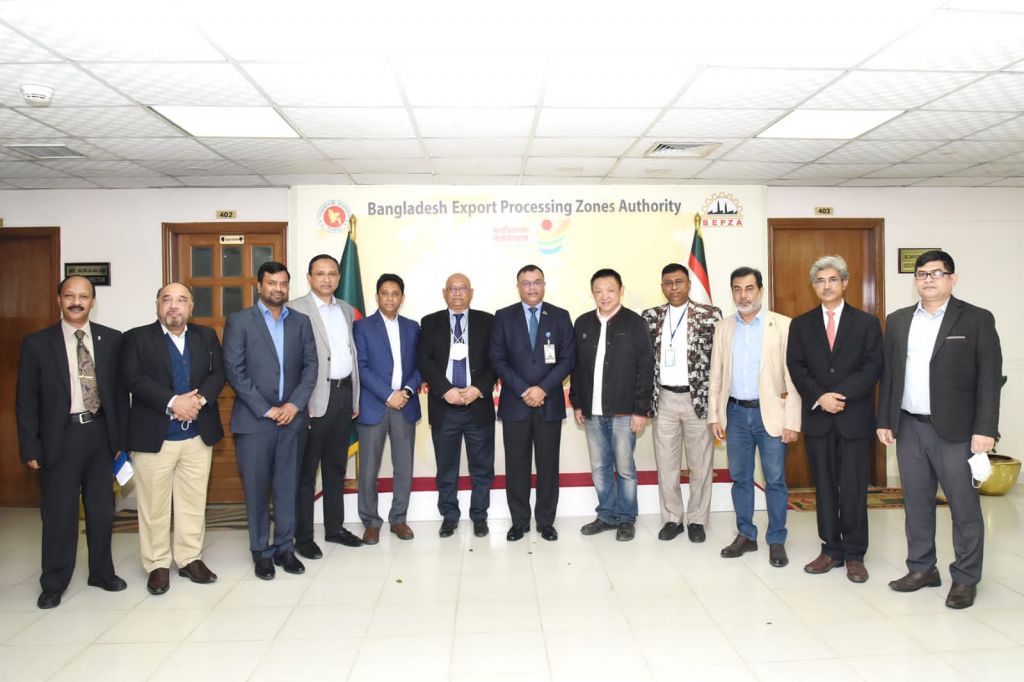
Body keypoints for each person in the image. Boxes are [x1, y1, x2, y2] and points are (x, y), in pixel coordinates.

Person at [877, 250, 1002, 609]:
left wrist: (985, 429)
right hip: (909, 427)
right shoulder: (898, 320)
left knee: (964, 508)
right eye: (921, 274)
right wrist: (885, 419)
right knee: (916, 504)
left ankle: (965, 577)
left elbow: (989, 378)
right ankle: (921, 568)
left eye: (936, 273)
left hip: (958, 432)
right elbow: (890, 375)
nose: (928, 279)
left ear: (952, 279)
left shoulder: (976, 319)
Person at [16, 275, 128, 609]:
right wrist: (30, 446)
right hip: (59, 437)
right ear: (59, 300)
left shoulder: (112, 339)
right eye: (69, 296)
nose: (76, 302)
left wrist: (121, 440)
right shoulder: (37, 344)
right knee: (59, 514)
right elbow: (26, 401)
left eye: (83, 296)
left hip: (101, 434)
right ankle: (53, 582)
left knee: (101, 510)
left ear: (93, 301)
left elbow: (119, 395)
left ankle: (101, 573)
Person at [122, 283, 226, 595]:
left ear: (191, 307)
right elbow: (133, 379)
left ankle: (189, 558)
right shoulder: (136, 338)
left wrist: (198, 401)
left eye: (181, 300)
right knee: (154, 506)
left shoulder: (206, 336)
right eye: (167, 300)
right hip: (155, 438)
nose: (173, 306)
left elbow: (218, 374)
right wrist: (173, 402)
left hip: (197, 436)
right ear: (157, 305)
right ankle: (157, 564)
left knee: (192, 503)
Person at [786, 256, 881, 583]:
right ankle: (831, 549)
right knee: (824, 487)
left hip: (853, 418)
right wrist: (820, 398)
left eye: (832, 279)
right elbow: (796, 366)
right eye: (820, 280)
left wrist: (839, 396)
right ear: (814, 286)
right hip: (819, 418)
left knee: (853, 489)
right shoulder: (801, 325)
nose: (826, 286)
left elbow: (872, 367)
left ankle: (854, 554)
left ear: (845, 283)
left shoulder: (866, 323)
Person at [223, 261, 317, 580]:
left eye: (283, 283)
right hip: (254, 421)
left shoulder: (301, 322)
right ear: (259, 286)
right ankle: (260, 551)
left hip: (292, 419)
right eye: (272, 283)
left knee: (288, 487)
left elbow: (311, 366)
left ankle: (284, 548)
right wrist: (266, 409)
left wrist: (294, 404)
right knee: (257, 489)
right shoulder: (239, 321)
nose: (278, 288)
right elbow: (235, 371)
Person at [708, 266, 800, 567]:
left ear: (760, 290)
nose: (743, 295)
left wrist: (792, 421)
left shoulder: (782, 325)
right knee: (740, 478)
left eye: (749, 288)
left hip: (770, 413)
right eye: (737, 289)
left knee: (775, 479)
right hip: (735, 413)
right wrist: (714, 415)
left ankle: (776, 539)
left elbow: (793, 377)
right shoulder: (723, 327)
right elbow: (716, 375)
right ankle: (746, 535)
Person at [490, 264, 575, 542]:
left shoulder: (560, 316)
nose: (532, 287)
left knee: (548, 466)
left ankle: (546, 521)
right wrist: (525, 389)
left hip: (549, 403)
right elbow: (497, 359)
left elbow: (568, 359)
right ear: (518, 287)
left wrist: (543, 389)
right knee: (516, 466)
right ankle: (519, 522)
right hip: (516, 404)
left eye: (537, 282)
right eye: (526, 283)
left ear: (544, 285)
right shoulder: (503, 317)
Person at [569, 268, 654, 542]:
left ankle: (627, 518)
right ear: (592, 293)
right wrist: (577, 403)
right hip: (591, 411)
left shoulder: (635, 323)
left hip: (624, 411)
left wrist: (641, 409)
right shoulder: (582, 323)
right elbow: (576, 368)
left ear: (621, 291)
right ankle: (606, 515)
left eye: (610, 290)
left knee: (625, 468)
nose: (604, 296)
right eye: (599, 291)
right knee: (600, 467)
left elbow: (646, 368)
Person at [286, 254, 361, 560]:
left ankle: (334, 528)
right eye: (320, 274)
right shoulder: (294, 309)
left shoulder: (346, 309)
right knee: (306, 473)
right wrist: (299, 402)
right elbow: (290, 361)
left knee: (335, 467)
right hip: (313, 400)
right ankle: (303, 537)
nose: (327, 279)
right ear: (309, 277)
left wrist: (354, 399)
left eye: (332, 274)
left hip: (343, 396)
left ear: (339, 278)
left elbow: (350, 354)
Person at [641, 263, 722, 543]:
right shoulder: (650, 317)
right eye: (668, 283)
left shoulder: (710, 315)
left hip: (697, 399)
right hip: (663, 398)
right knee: (667, 464)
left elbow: (720, 361)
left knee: (701, 464)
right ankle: (672, 518)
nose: (673, 287)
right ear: (662, 287)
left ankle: (697, 519)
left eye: (679, 282)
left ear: (688, 284)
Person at [418, 273, 497, 538]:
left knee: (482, 468)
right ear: (444, 292)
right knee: (446, 468)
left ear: (471, 292)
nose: (457, 293)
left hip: (478, 405)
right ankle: (449, 516)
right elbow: (424, 360)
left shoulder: (488, 322)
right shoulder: (430, 322)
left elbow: (496, 360)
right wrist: (446, 390)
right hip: (445, 407)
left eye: (463, 288)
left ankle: (480, 516)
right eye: (452, 288)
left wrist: (478, 389)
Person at [353, 274, 422, 544]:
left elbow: (420, 366)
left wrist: (406, 392)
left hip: (405, 404)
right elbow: (361, 367)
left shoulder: (413, 327)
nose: (390, 298)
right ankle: (371, 522)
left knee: (403, 467)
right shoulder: (362, 327)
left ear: (402, 298)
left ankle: (399, 519)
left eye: (395, 293)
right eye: (385, 293)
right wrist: (388, 395)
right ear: (377, 296)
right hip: (374, 405)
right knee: (369, 469)